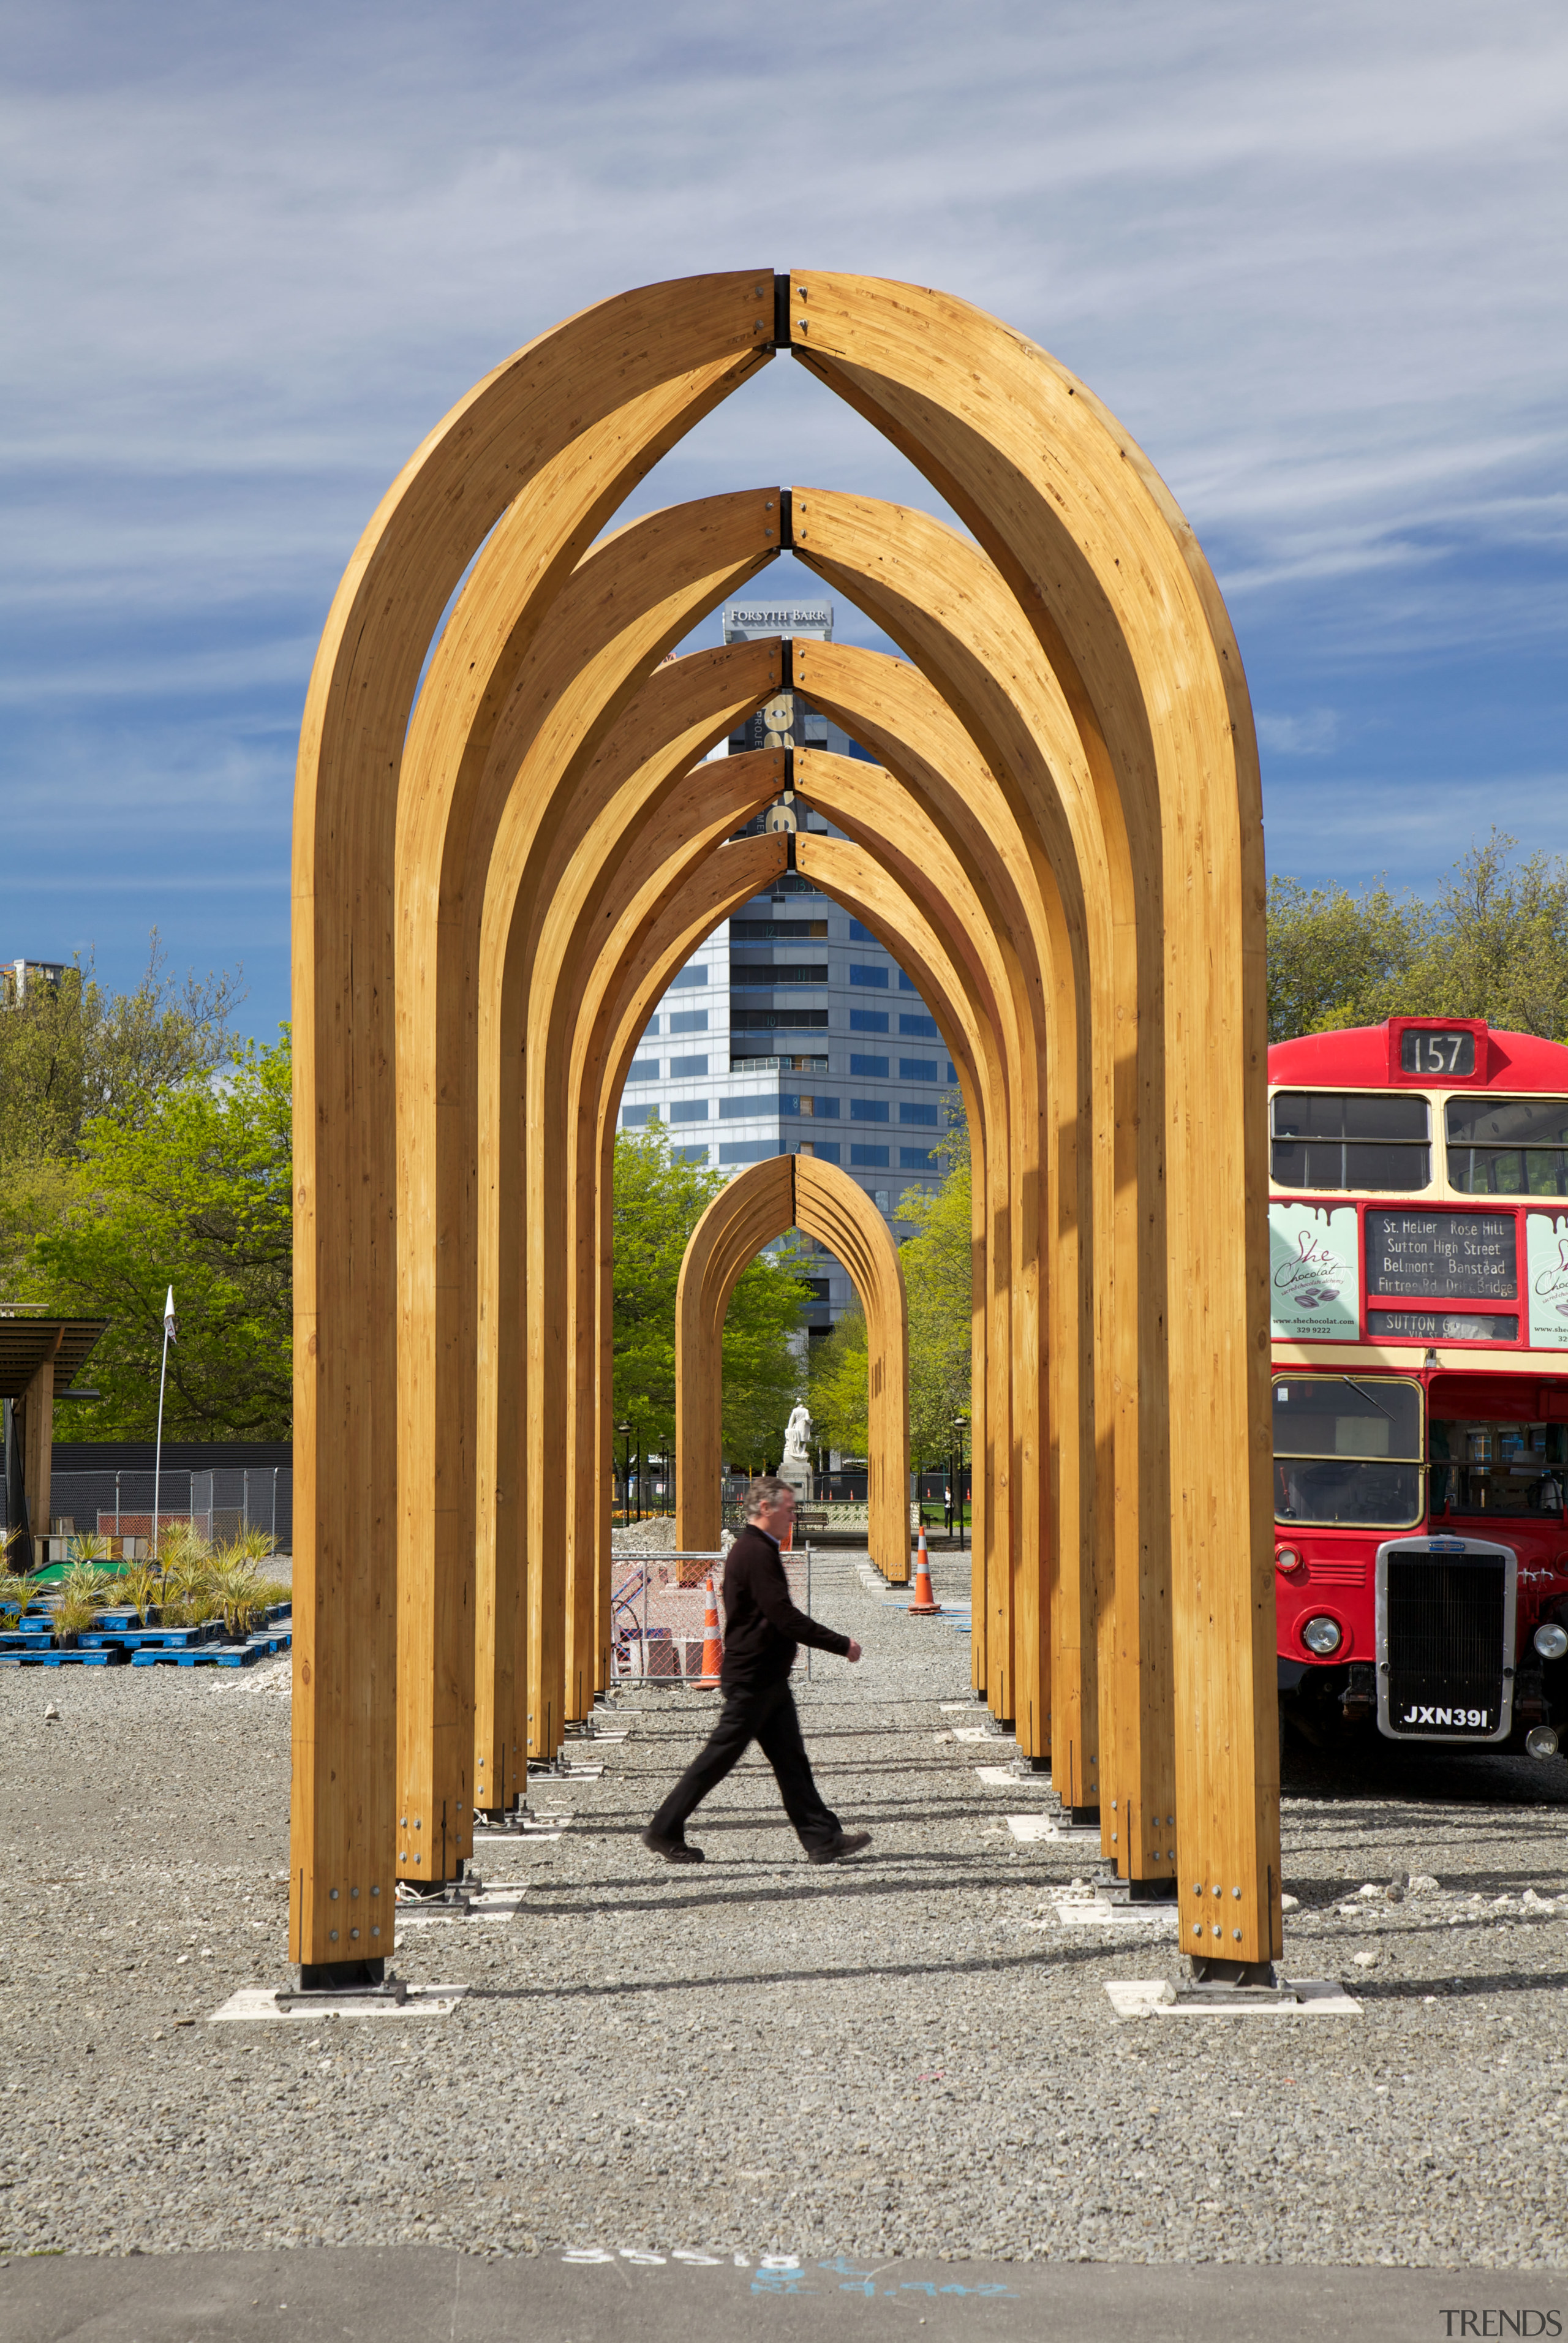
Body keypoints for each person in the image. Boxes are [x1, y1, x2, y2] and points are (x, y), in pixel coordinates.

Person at [643, 1477, 870, 1866]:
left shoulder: (757, 1548)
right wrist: (840, 1644)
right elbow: (782, 1615)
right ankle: (664, 1828)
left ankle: (822, 1838)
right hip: (753, 1679)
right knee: (717, 1759)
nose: (793, 1516)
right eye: (788, 1509)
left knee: (791, 1760)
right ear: (765, 1509)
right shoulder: (755, 1552)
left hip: (764, 1677)